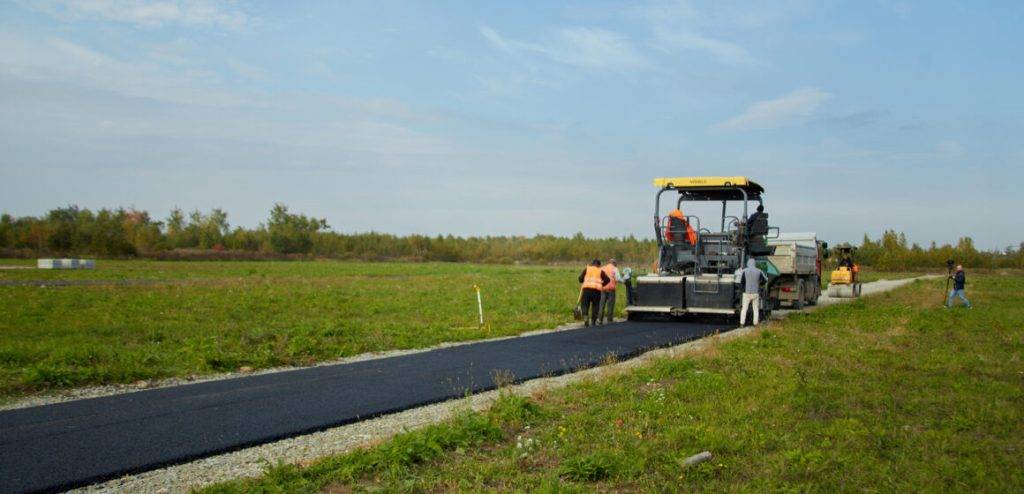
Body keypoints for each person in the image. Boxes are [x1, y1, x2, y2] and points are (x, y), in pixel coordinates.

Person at [578, 259, 611, 326]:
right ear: (599, 265)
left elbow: (580, 279)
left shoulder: (587, 269)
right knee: (595, 306)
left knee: (585, 305)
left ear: (592, 263)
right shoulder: (600, 271)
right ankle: (593, 321)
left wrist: (583, 280)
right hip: (596, 291)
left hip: (586, 290)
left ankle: (586, 318)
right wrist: (602, 284)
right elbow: (608, 279)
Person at [737, 259, 765, 326]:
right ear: (754, 263)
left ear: (748, 263)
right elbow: (764, 280)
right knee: (755, 309)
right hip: (755, 293)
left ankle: (742, 324)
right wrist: (759, 284)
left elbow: (742, 282)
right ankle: (755, 323)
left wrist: (742, 290)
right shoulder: (759, 271)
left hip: (747, 293)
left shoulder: (745, 271)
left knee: (744, 309)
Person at [598, 259, 623, 324]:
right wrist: (624, 281)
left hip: (603, 289)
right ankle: (609, 320)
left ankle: (600, 319)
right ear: (614, 263)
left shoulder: (602, 268)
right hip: (611, 289)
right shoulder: (615, 269)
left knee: (601, 305)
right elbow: (618, 279)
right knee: (610, 305)